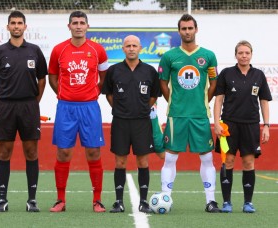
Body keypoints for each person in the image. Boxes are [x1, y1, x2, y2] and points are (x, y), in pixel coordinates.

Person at [158, 14, 221, 212]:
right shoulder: (169, 57)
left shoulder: (208, 56)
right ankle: (166, 198)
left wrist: (202, 102)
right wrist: (175, 102)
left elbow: (214, 84)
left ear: (196, 29)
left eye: (190, 28)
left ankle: (210, 201)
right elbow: (162, 83)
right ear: (179, 31)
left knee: (207, 158)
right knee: (170, 158)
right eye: (183, 28)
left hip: (200, 115)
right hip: (176, 115)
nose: (187, 32)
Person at [48, 11, 108, 213]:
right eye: (75, 23)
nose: (79, 26)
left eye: (82, 23)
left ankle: (97, 200)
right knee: (63, 152)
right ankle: (60, 199)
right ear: (69, 26)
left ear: (87, 27)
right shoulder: (58, 50)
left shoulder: (98, 50)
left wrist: (93, 93)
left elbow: (104, 76)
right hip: (65, 108)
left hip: (90, 107)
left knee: (93, 151)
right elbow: (52, 79)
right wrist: (65, 95)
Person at [0, 11, 47, 212]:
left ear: (25, 26)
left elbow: (42, 80)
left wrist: (33, 102)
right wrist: (2, 101)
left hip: (29, 107)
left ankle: (32, 200)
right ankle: (2, 200)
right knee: (4, 152)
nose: (16, 26)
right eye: (13, 23)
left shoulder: (35, 51)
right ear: (8, 27)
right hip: (6, 108)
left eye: (20, 23)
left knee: (31, 151)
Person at [102, 35, 160, 213]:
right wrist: (121, 110)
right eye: (128, 46)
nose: (131, 48)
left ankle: (143, 202)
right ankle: (119, 202)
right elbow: (109, 95)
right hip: (120, 122)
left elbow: (153, 97)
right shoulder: (114, 70)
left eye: (134, 45)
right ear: (123, 49)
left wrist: (140, 110)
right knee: (120, 162)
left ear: (140, 48)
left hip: (142, 122)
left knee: (143, 161)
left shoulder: (150, 71)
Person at [214, 40, 272, 213]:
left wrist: (266, 125)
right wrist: (216, 122)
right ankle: (227, 203)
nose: (244, 56)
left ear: (251, 54)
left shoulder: (258, 75)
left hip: (251, 125)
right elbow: (218, 99)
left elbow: (264, 101)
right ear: (236, 55)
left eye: (247, 53)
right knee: (228, 161)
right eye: (241, 53)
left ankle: (248, 202)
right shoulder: (226, 73)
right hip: (229, 125)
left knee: (248, 162)